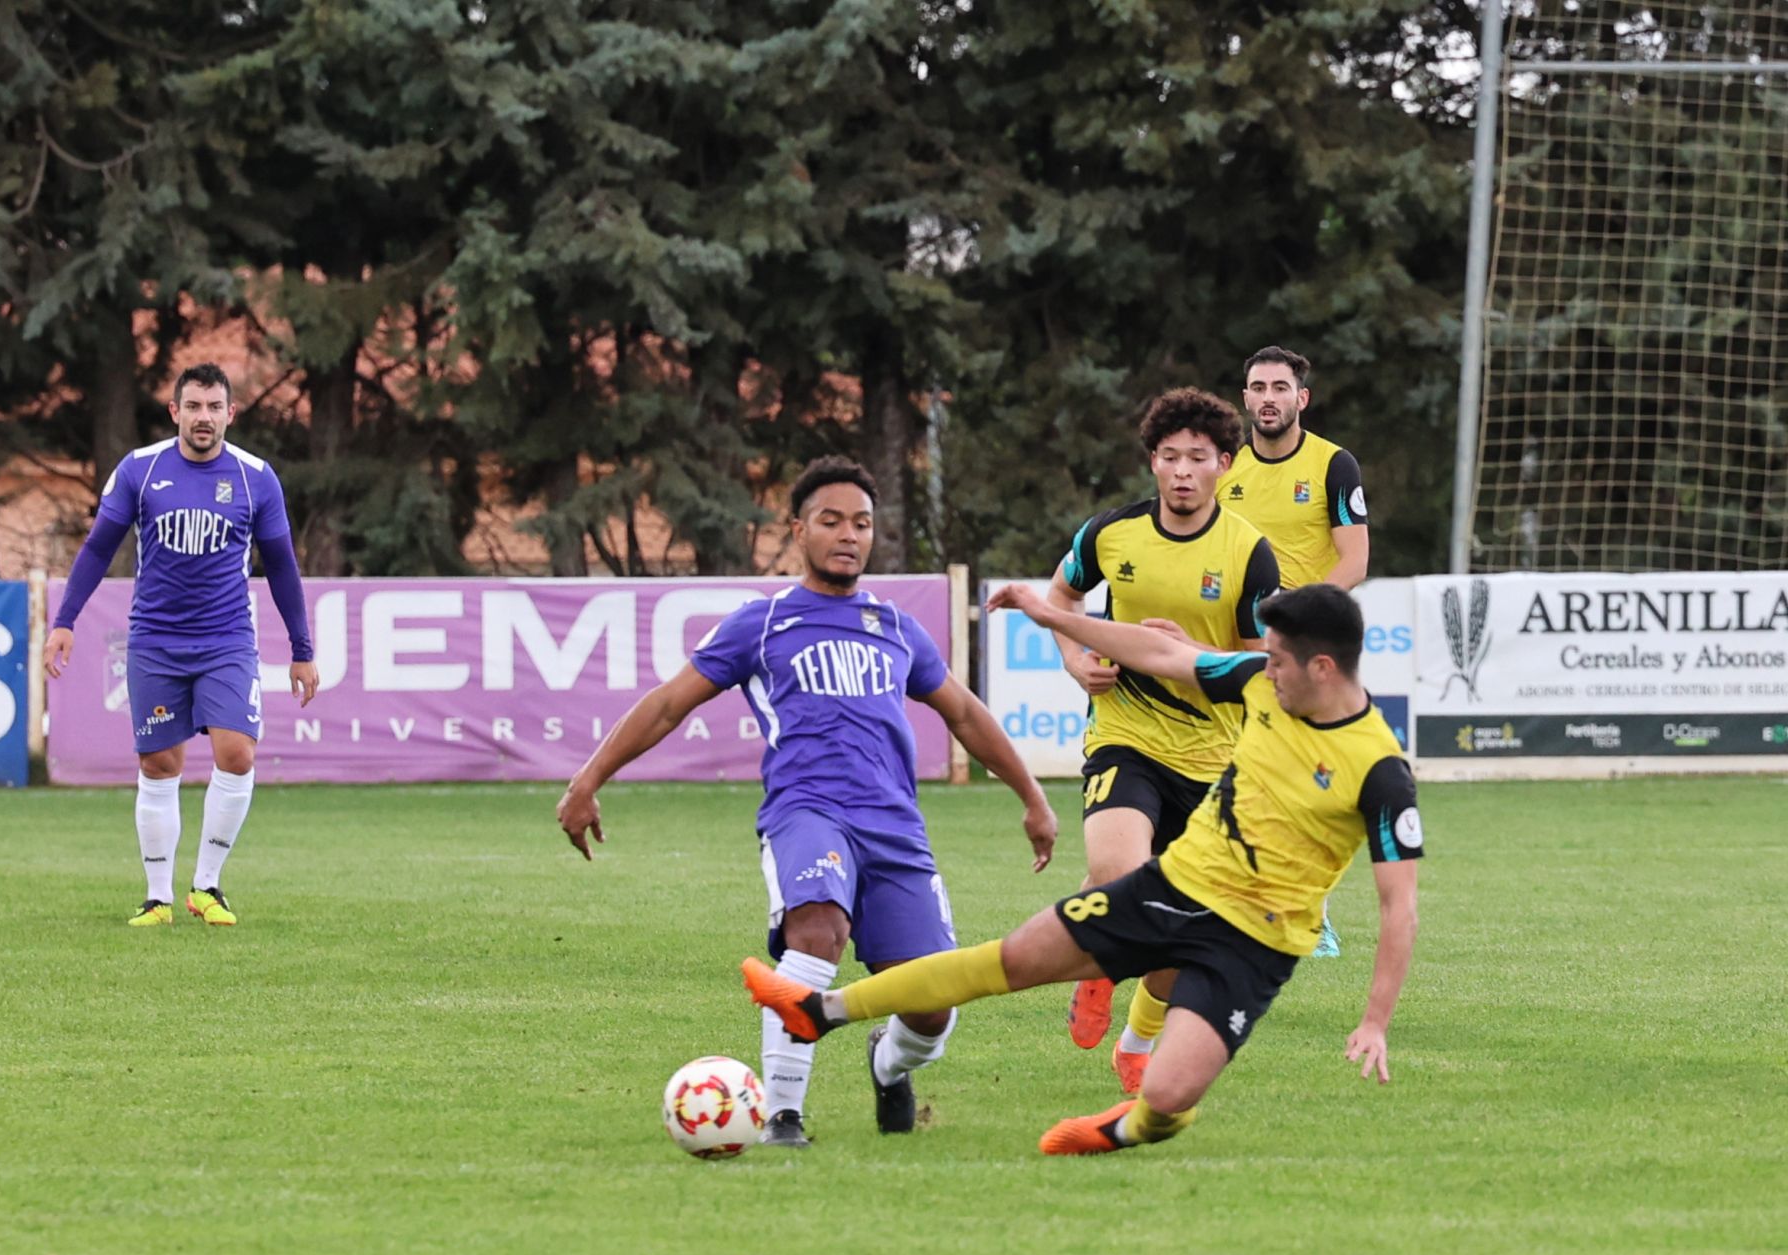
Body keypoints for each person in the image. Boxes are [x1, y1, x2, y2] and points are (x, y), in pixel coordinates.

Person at [745, 581, 1422, 1157]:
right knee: (1011, 956)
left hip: (1252, 946)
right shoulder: (1260, 686)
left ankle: (1125, 1128)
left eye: (1276, 660)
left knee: (1167, 1095)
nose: (1264, 669)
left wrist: (1374, 1021)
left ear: (1324, 667)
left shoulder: (1380, 768)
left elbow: (1400, 904)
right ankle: (818, 1010)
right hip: (1172, 888)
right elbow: (1164, 653)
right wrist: (1054, 619)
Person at [557, 456, 1057, 1148]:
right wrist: (588, 779)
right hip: (807, 811)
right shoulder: (761, 623)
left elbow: (966, 716)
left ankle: (888, 1065)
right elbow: (670, 703)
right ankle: (782, 1113)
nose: (848, 535)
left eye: (861, 523)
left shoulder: (896, 628)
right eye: (830, 521)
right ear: (799, 530)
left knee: (933, 1007)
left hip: (895, 828)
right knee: (816, 931)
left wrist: (1032, 798)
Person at [1045, 388, 1279, 1090]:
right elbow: (1060, 599)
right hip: (1126, 733)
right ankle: (1101, 970)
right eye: (1169, 457)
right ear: (1152, 461)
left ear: (1223, 465)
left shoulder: (1248, 551)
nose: (1182, 471)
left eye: (1197, 458)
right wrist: (1075, 659)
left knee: (1184, 916)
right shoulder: (1111, 534)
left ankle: (1140, 1037)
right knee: (1120, 871)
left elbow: (1259, 665)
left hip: (1212, 752)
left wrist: (1193, 657)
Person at [44, 363, 318, 926]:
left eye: (215, 407)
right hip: (156, 640)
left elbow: (283, 566)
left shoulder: (255, 477)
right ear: (175, 411)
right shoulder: (139, 470)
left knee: (237, 752)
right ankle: (158, 898)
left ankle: (208, 888)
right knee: (159, 762)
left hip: (227, 640)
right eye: (193, 406)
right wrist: (65, 619)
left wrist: (302, 647)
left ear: (230, 413)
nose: (204, 417)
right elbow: (98, 547)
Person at [1219, 345, 1372, 958]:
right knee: (1233, 782)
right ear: (1245, 398)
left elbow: (1355, 559)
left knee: (1317, 785)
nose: (1268, 399)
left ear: (1300, 398)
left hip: (1309, 653)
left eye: (1280, 388)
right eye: (1257, 388)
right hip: (1234, 650)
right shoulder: (1223, 469)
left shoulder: (1334, 464)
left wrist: (1299, 619)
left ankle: (1314, 910)